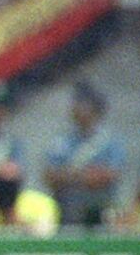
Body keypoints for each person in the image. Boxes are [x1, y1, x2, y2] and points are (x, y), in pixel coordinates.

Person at [44, 80, 127, 227]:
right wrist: (83, 175)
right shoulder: (62, 141)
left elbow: (110, 175)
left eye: (82, 103)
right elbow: (50, 175)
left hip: (100, 201)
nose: (76, 107)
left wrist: (72, 175)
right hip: (67, 201)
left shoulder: (109, 142)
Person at [0, 160, 59, 234]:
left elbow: (47, 237)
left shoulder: (41, 202)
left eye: (10, 184)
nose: (6, 190)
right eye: (2, 183)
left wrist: (18, 221)